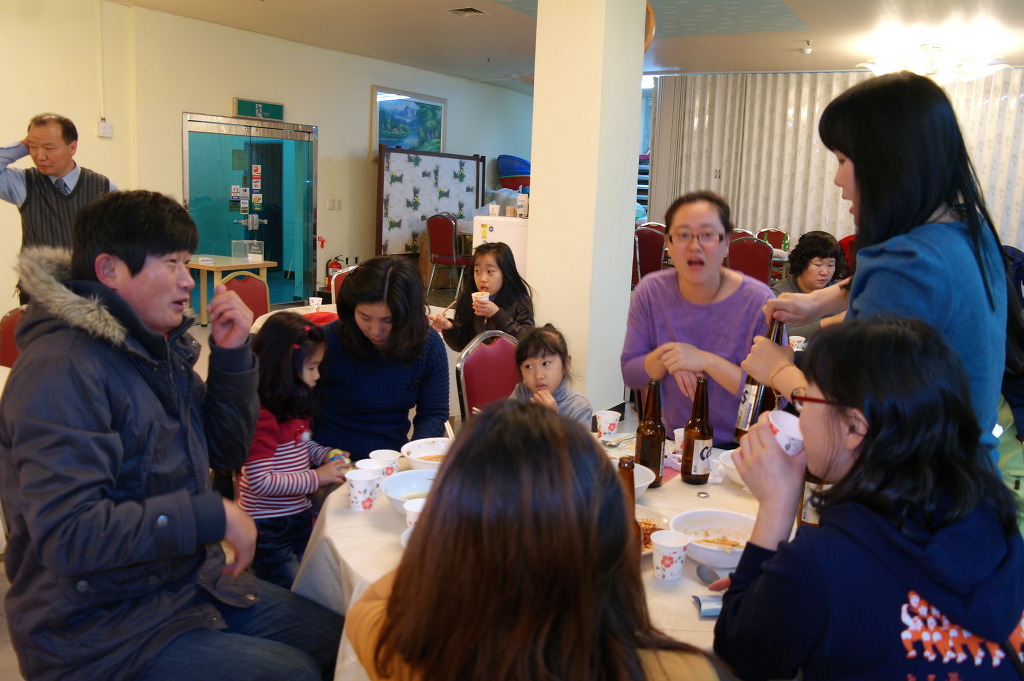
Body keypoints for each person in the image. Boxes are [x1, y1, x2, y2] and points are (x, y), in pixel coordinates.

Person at [0, 191, 342, 681]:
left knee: (334, 638)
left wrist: (231, 356)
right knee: (291, 672)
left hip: (185, 584)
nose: (187, 280)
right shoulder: (61, 368)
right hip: (99, 628)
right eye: (172, 263)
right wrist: (207, 514)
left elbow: (226, 450)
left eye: (187, 261)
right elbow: (69, 535)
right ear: (109, 270)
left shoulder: (157, 349)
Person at [713, 316, 1024, 680]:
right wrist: (779, 588)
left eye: (806, 398)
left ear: (854, 428)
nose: (800, 413)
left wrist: (776, 507)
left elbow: (741, 657)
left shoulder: (823, 562)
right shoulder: (994, 522)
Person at [346, 400, 729, 681]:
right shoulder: (682, 671)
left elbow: (399, 586)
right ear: (612, 540)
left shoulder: (388, 642)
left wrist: (454, 534)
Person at [745, 72, 1015, 455]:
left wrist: (778, 371)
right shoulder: (969, 232)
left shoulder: (906, 265)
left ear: (888, 162)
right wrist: (821, 300)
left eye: (842, 160)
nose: (837, 179)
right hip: (968, 467)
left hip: (914, 476)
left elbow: (851, 420)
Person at [621, 190, 776, 443]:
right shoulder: (651, 291)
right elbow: (632, 375)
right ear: (668, 243)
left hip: (740, 448)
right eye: (683, 235)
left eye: (708, 235)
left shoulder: (759, 301)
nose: (695, 246)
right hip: (675, 441)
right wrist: (671, 356)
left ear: (726, 243)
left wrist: (704, 360)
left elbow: (772, 395)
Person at [236, 312, 352, 589]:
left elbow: (302, 444)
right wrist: (318, 477)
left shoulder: (293, 405)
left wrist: (324, 454)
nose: (317, 376)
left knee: (305, 578)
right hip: (268, 526)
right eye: (311, 368)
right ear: (284, 368)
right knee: (286, 590)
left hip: (296, 515)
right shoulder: (263, 417)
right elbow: (261, 481)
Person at [314, 255, 448, 460]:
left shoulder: (426, 344)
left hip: (390, 461)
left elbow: (434, 413)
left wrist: (413, 457)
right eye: (365, 318)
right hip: (329, 462)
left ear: (409, 314)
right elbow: (292, 414)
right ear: (350, 309)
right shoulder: (327, 342)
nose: (376, 330)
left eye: (389, 320)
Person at [0, 113, 115, 252]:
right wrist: (23, 146)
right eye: (33, 147)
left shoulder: (103, 187)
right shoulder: (24, 182)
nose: (40, 156)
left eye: (49, 148)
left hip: (87, 266)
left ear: (72, 148)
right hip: (39, 267)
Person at [429, 241, 534, 351]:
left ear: (505, 273)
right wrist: (449, 328)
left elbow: (528, 340)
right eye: (477, 271)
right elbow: (461, 346)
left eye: (490, 271)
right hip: (476, 361)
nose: (482, 279)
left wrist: (497, 314)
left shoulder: (519, 300)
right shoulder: (466, 299)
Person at [508, 323, 592, 426]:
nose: (538, 376)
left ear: (566, 364)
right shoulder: (521, 394)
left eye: (546, 363)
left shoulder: (579, 407)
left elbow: (577, 438)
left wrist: (552, 418)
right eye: (528, 366)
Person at [770, 232, 847, 339]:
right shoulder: (780, 294)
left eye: (830, 265)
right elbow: (784, 335)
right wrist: (833, 321)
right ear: (802, 263)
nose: (824, 272)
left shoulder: (841, 291)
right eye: (818, 264)